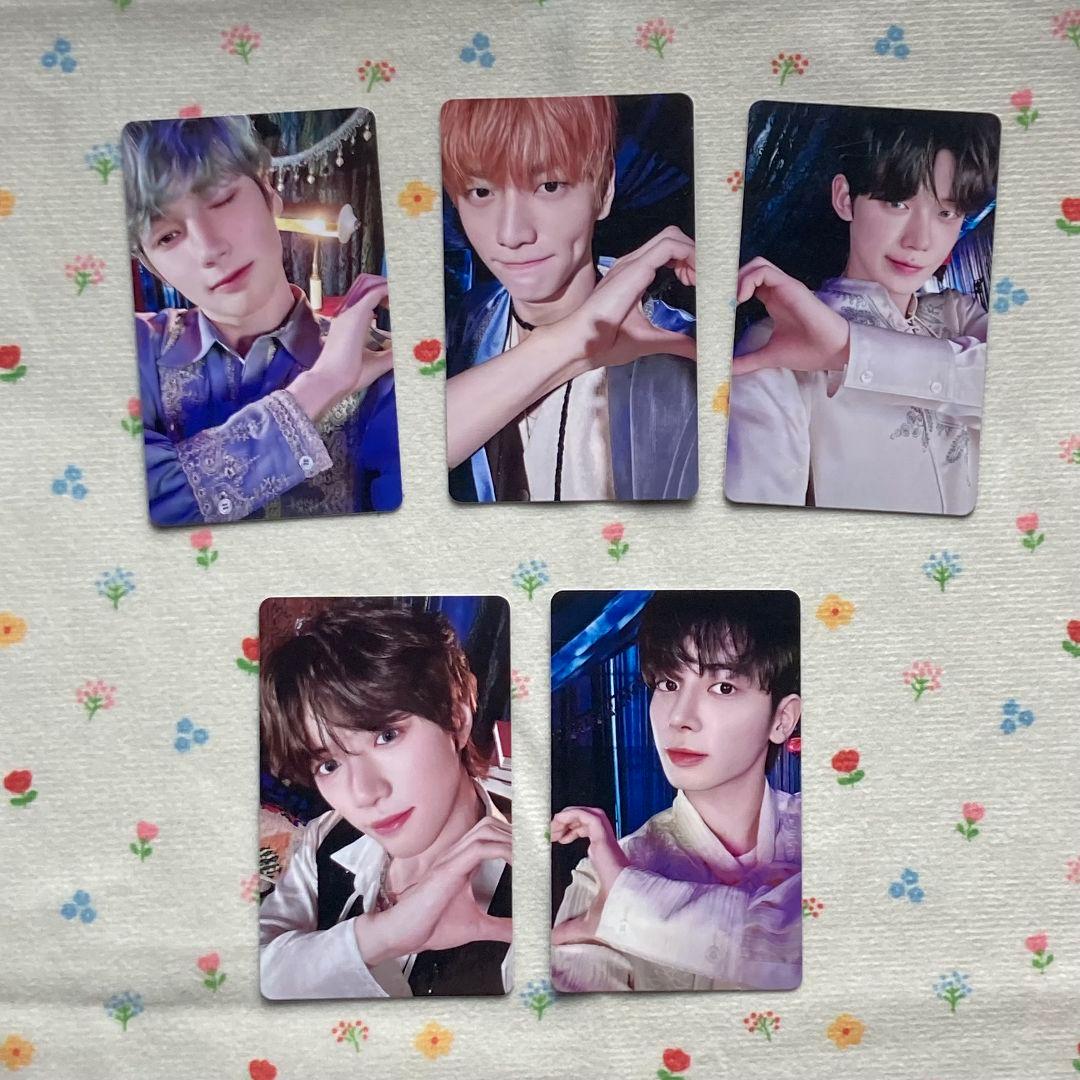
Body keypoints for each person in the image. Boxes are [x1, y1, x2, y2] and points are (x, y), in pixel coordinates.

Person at [122, 115, 401, 526]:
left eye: (221, 199)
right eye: (167, 236)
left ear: (268, 192)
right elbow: (134, 509)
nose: (209, 249)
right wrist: (322, 385)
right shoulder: (132, 351)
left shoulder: (378, 360)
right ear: (151, 265)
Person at [725, 108, 999, 515]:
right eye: (896, 202)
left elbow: (1033, 391)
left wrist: (849, 349)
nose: (920, 241)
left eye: (946, 213)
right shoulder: (776, 345)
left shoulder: (958, 316)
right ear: (844, 198)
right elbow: (759, 527)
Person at [441, 94, 698, 503]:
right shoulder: (458, 330)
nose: (511, 234)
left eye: (549, 186)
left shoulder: (682, 355)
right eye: (481, 191)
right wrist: (568, 342)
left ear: (604, 189)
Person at [550, 591, 802, 993]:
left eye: (723, 687)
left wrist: (632, 901)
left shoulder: (827, 835)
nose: (680, 717)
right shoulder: (604, 874)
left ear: (782, 719)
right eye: (668, 683)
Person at [258, 601, 512, 999]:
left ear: (457, 717)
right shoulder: (326, 839)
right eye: (328, 764)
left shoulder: (551, 887)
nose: (363, 793)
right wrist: (382, 937)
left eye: (386, 736)